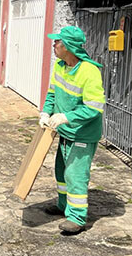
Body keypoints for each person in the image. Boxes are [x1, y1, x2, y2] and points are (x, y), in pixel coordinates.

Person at [39, 26, 105, 234]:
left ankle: (77, 217)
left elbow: (94, 107)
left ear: (68, 47)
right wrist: (46, 113)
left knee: (75, 175)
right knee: (61, 171)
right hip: (66, 132)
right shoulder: (60, 66)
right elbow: (52, 93)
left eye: (57, 42)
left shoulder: (89, 72)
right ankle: (63, 205)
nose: (54, 45)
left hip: (82, 134)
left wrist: (67, 117)